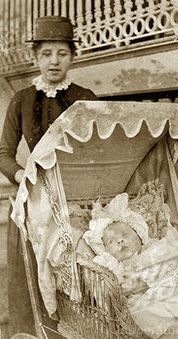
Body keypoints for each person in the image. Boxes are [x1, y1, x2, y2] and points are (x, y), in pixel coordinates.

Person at [0, 15, 97, 337]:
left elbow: (98, 147)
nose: (54, 61)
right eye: (46, 54)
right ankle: (47, 328)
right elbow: (3, 152)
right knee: (43, 264)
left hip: (78, 193)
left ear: (72, 56)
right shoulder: (22, 100)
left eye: (62, 53)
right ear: (35, 57)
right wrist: (22, 178)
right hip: (37, 193)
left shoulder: (86, 98)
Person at [83, 190, 178, 338]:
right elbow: (116, 290)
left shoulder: (158, 247)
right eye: (111, 242)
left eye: (125, 234)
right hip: (155, 298)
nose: (119, 240)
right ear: (105, 250)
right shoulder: (116, 267)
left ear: (139, 235)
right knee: (161, 318)